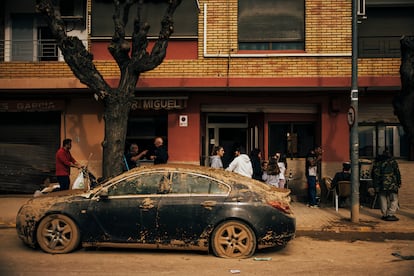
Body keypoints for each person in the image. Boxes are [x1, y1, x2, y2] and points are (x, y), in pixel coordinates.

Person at [372, 150, 402, 221]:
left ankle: (385, 214)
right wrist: (399, 182)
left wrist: (375, 185)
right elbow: (397, 173)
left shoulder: (377, 163)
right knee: (394, 199)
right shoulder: (393, 162)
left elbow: (375, 175)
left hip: (381, 185)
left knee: (383, 199)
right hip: (392, 184)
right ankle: (390, 213)